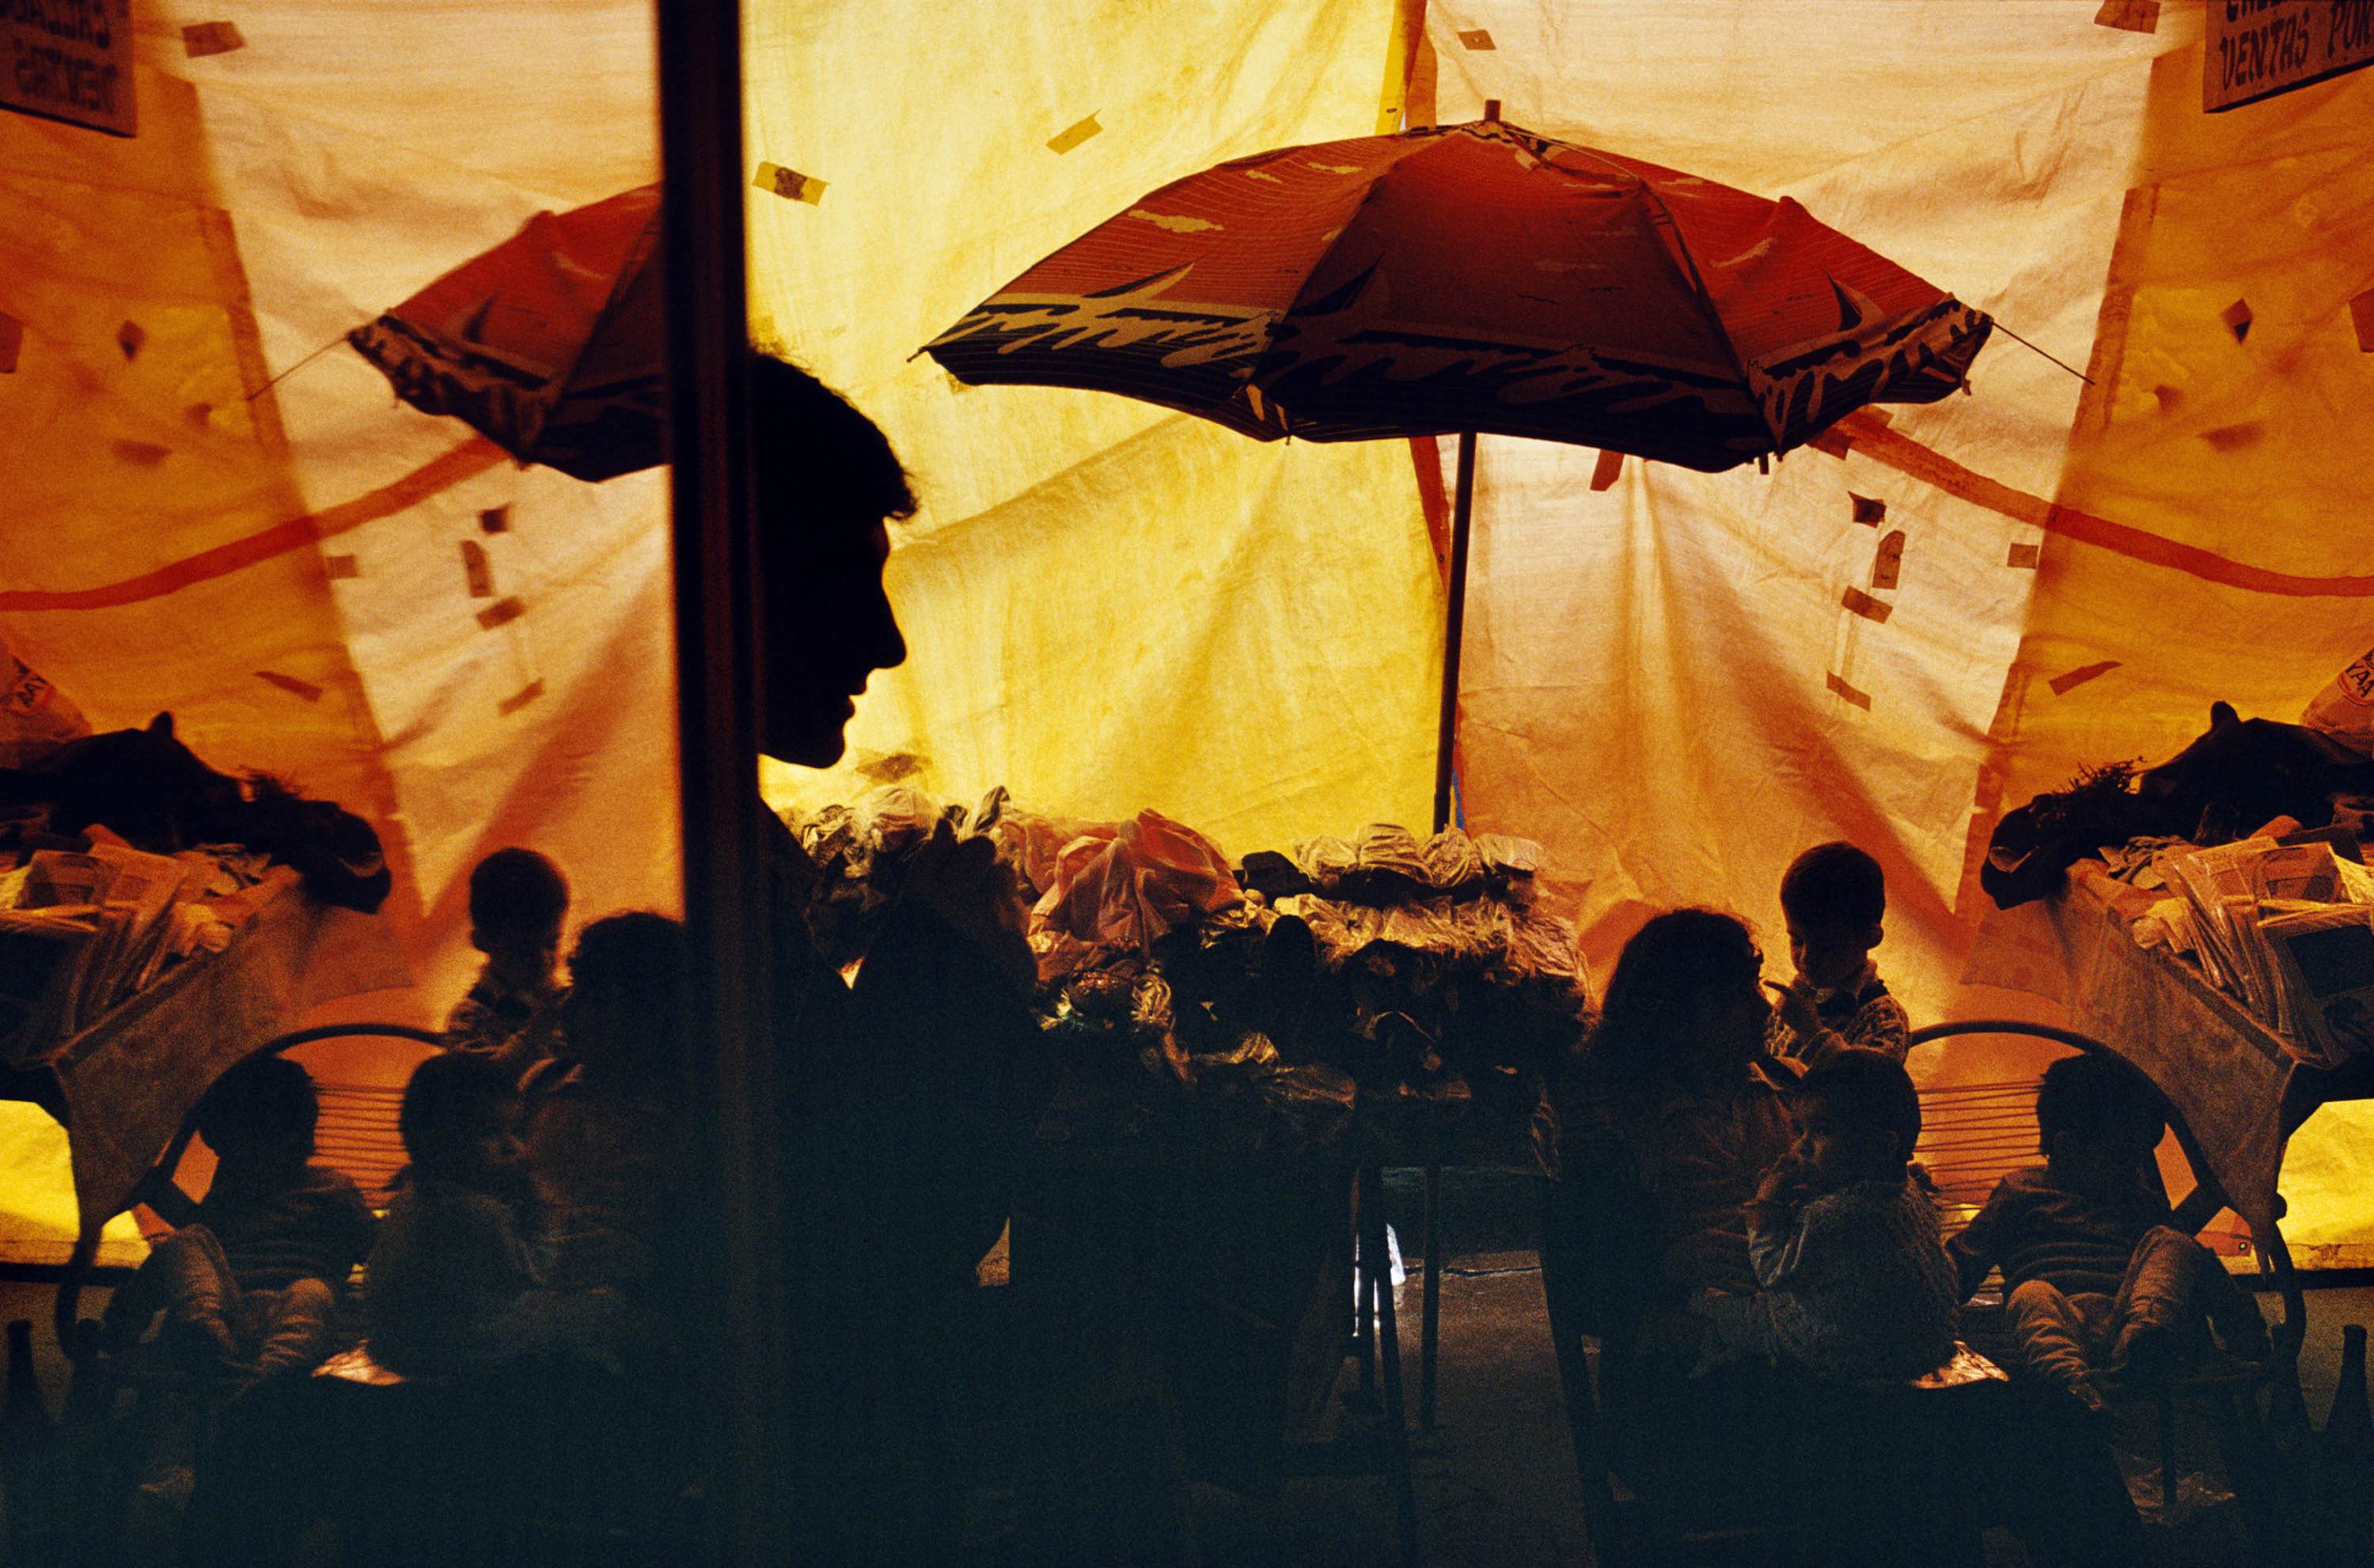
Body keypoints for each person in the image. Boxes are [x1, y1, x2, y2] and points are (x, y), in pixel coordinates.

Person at [745, 351, 1049, 1556]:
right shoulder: (683, 864)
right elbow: (869, 1217)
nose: (883, 642)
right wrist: (946, 950)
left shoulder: (717, 840)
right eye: (839, 579)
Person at [1947, 1052, 2271, 1412]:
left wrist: (2245, 1330)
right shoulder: (2020, 1192)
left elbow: (2192, 1267)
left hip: (2130, 1315)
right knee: (2030, 1295)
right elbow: (1962, 1263)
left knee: (2173, 1243)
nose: (2134, 1168)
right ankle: (2075, 1384)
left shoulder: (2137, 1199)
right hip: (2062, 1317)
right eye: (2123, 1157)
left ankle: (2144, 1344)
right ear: (2067, 1148)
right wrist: (1925, 1304)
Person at [102, 1054, 376, 1391]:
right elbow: (187, 1259)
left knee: (313, 1293)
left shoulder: (331, 1189)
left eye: (235, 1149)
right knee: (184, 1241)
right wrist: (128, 1314)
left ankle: (266, 1380)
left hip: (295, 1309)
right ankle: (202, 1328)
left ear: (288, 1141)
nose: (224, 1158)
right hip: (225, 1309)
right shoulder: (228, 1195)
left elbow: (379, 1251)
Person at [1742, 1049, 1959, 1381]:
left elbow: (1772, 1272)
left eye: (1822, 1131)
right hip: (1929, 1346)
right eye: (1800, 1130)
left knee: (1728, 1311)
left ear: (1881, 1146)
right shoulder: (1911, 1192)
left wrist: (1765, 1205)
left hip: (1854, 1357)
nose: (1801, 1146)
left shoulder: (1834, 1216)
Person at [525, 911, 691, 1309]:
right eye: (574, 989)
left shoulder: (686, 1120)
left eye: (595, 998)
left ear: (649, 1016)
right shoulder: (544, 1084)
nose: (567, 1008)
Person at [362, 1051, 540, 1377]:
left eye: (515, 1131)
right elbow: (534, 1277)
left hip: (390, 1351)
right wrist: (546, 1205)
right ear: (439, 1141)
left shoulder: (407, 1200)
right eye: (491, 1132)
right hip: (460, 1362)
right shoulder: (478, 1214)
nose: (514, 1147)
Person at [1765, 842, 1908, 1070]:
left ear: (1870, 938)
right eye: (1797, 941)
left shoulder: (1884, 1019)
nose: (1806, 958)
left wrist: (1813, 1033)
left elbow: (1867, 1085)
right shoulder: (1794, 1001)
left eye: (1826, 947)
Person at [443, 847, 570, 1080]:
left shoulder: (569, 1005)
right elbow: (488, 1081)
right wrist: (538, 1031)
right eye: (524, 948)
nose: (543, 960)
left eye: (552, 944)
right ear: (483, 941)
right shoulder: (470, 1020)